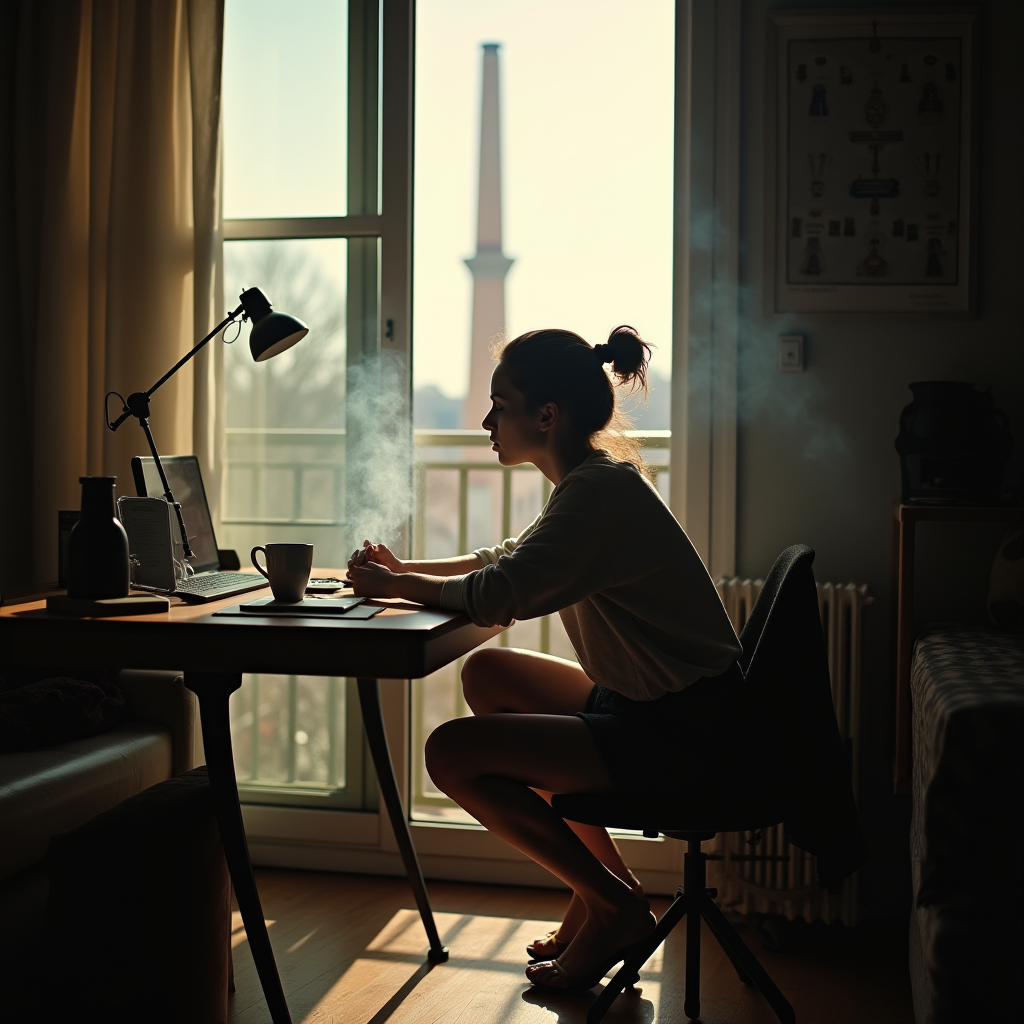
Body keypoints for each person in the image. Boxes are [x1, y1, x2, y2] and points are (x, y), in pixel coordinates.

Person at [346, 326, 742, 992]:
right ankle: (601, 892)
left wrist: (396, 587)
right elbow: (504, 561)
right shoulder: (591, 482)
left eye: (500, 403)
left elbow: (503, 593)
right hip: (660, 706)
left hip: (678, 731)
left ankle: (613, 906)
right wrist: (402, 568)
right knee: (489, 673)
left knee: (450, 753)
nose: (486, 420)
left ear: (545, 416)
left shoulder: (597, 494)